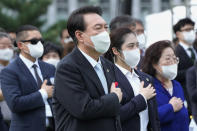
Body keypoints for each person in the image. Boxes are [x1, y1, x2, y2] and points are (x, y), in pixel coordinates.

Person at [53, 6, 122, 131]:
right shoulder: (67, 67)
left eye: (106, 28)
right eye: (98, 28)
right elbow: (83, 108)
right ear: (80, 35)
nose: (105, 33)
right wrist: (114, 98)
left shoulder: (108, 65)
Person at [0, 25, 55, 131]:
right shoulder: (10, 71)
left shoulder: (49, 68)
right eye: (34, 41)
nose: (39, 44)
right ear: (21, 45)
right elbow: (15, 104)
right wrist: (43, 93)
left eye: (41, 41)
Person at [104, 27, 160, 131]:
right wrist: (141, 98)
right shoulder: (109, 78)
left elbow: (154, 118)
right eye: (131, 46)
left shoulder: (146, 78)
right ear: (116, 51)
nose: (136, 50)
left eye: (137, 45)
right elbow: (114, 117)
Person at [142, 40, 189, 131]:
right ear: (154, 63)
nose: (173, 62)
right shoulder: (148, 87)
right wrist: (170, 108)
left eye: (175, 58)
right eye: (168, 59)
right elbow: (148, 118)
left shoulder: (177, 85)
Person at [173, 18, 196, 115]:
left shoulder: (195, 49)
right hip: (186, 96)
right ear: (178, 34)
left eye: (192, 29)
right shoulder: (175, 52)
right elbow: (174, 74)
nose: (191, 32)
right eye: (187, 30)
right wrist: (192, 72)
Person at [0, 32, 13, 131]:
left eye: (10, 46)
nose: (7, 50)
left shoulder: (18, 67)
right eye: (3, 47)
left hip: (17, 121)